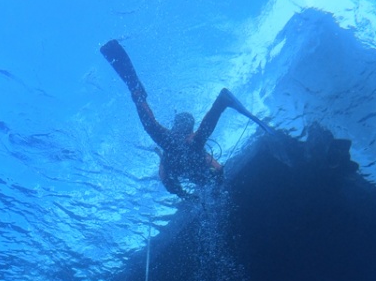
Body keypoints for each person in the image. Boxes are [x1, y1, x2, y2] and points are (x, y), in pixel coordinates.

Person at [100, 39, 269, 199]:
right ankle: (137, 91)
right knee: (176, 137)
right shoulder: (200, 161)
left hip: (177, 140)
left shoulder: (194, 163)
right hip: (180, 138)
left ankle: (137, 90)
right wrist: (205, 186)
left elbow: (167, 179)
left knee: (182, 139)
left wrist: (184, 194)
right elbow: (210, 169)